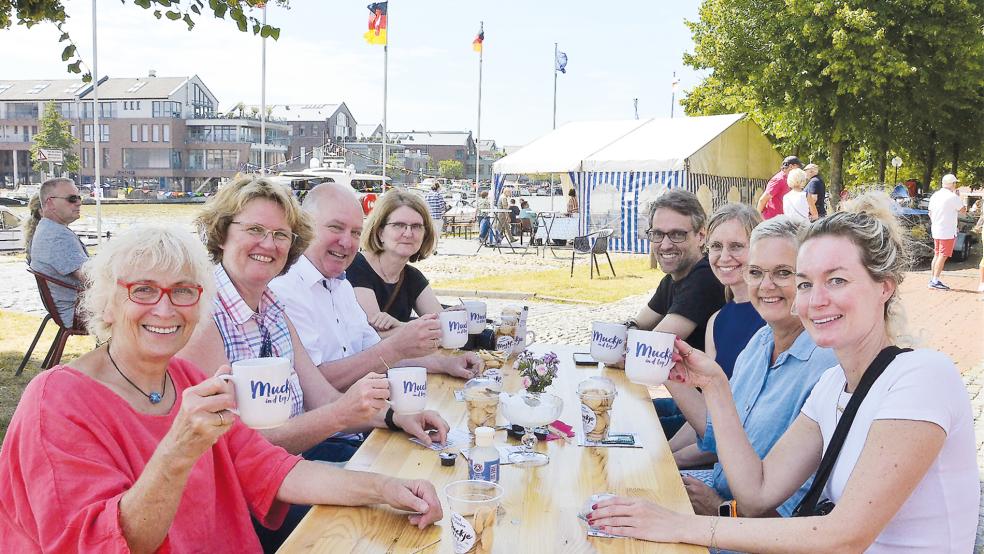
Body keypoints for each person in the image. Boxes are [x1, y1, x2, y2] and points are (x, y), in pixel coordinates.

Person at [0, 225, 443, 552]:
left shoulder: (191, 381)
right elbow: (103, 544)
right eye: (143, 290)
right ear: (108, 303)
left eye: (184, 291)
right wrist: (177, 451)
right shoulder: (57, 402)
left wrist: (384, 489)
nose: (165, 307)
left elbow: (273, 469)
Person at [589, 193, 979, 552]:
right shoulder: (832, 384)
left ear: (884, 288)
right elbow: (756, 492)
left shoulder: (922, 376)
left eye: (837, 280)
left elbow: (844, 536)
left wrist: (681, 525)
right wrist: (714, 385)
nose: (816, 299)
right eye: (807, 283)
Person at [180, 176, 451, 465]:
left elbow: (322, 397)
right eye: (255, 230)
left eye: (281, 235)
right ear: (221, 234)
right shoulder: (201, 315)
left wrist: (397, 417)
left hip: (290, 469)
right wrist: (347, 414)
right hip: (251, 492)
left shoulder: (272, 307)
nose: (269, 244)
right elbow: (237, 448)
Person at [663, 216, 838, 518]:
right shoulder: (760, 342)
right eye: (756, 272)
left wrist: (719, 508)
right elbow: (719, 439)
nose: (766, 285)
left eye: (783, 273)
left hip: (747, 527)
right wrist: (672, 375)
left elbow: (794, 516)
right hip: (717, 493)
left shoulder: (828, 366)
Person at [269, 183, 483, 393]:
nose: (346, 242)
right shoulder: (286, 290)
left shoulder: (341, 285)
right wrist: (397, 345)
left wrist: (446, 364)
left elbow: (375, 355)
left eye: (355, 232)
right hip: (340, 424)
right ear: (305, 227)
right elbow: (313, 386)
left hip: (364, 415)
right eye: (336, 227)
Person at [668, 203, 766, 468]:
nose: (724, 257)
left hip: (740, 466)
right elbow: (710, 415)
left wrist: (670, 461)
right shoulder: (717, 321)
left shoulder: (771, 322)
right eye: (716, 247)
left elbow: (740, 431)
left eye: (736, 246)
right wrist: (666, 452)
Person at [627, 190, 725, 438]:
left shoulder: (704, 278)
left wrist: (620, 342)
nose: (665, 244)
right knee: (619, 409)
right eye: (658, 234)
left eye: (677, 234)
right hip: (689, 405)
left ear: (701, 236)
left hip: (707, 415)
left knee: (624, 424)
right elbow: (639, 324)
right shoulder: (673, 279)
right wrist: (628, 331)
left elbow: (651, 351)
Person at [347, 189, 443, 332]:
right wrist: (408, 327)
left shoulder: (412, 277)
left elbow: (441, 325)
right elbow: (372, 334)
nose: (408, 233)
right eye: (398, 225)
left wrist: (458, 316)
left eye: (416, 226)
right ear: (380, 233)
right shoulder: (356, 267)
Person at [26, 177, 89, 326]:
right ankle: (113, 348)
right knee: (140, 307)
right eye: (72, 199)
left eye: (79, 197)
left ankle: (110, 347)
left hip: (69, 310)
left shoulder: (47, 229)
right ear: (50, 203)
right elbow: (89, 277)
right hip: (78, 313)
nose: (79, 202)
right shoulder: (57, 236)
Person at [927, 173, 966, 290]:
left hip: (936, 229)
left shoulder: (935, 196)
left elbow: (930, 212)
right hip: (947, 231)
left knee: (937, 254)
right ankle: (935, 280)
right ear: (952, 184)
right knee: (943, 255)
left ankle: (933, 278)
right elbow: (963, 210)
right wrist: (958, 197)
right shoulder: (952, 197)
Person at [756, 155, 801, 220]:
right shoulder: (778, 179)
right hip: (773, 220)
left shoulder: (789, 179)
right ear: (791, 166)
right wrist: (758, 218)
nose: (799, 170)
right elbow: (763, 199)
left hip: (782, 220)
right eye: (798, 167)